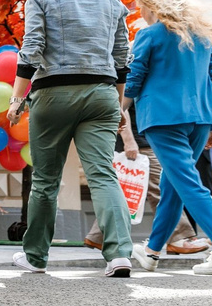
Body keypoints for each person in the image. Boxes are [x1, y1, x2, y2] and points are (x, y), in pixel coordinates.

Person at [7, 0, 134, 277]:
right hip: (103, 93)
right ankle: (120, 254)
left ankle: (35, 256)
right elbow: (122, 58)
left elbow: (32, 49)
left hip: (54, 94)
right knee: (103, 175)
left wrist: (17, 99)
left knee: (46, 180)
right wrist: (119, 104)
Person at [120, 0, 212, 275]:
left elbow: (133, 78)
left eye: (141, 7)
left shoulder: (149, 35)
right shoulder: (202, 35)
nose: (140, 13)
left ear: (152, 6)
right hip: (200, 118)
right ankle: (151, 252)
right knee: (174, 186)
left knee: (187, 184)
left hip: (163, 119)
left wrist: (121, 109)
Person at [83, 105, 211, 254]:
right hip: (140, 143)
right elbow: (121, 106)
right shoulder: (137, 81)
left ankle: (98, 235)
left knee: (127, 191)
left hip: (146, 140)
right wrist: (129, 141)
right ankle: (178, 237)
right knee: (161, 187)